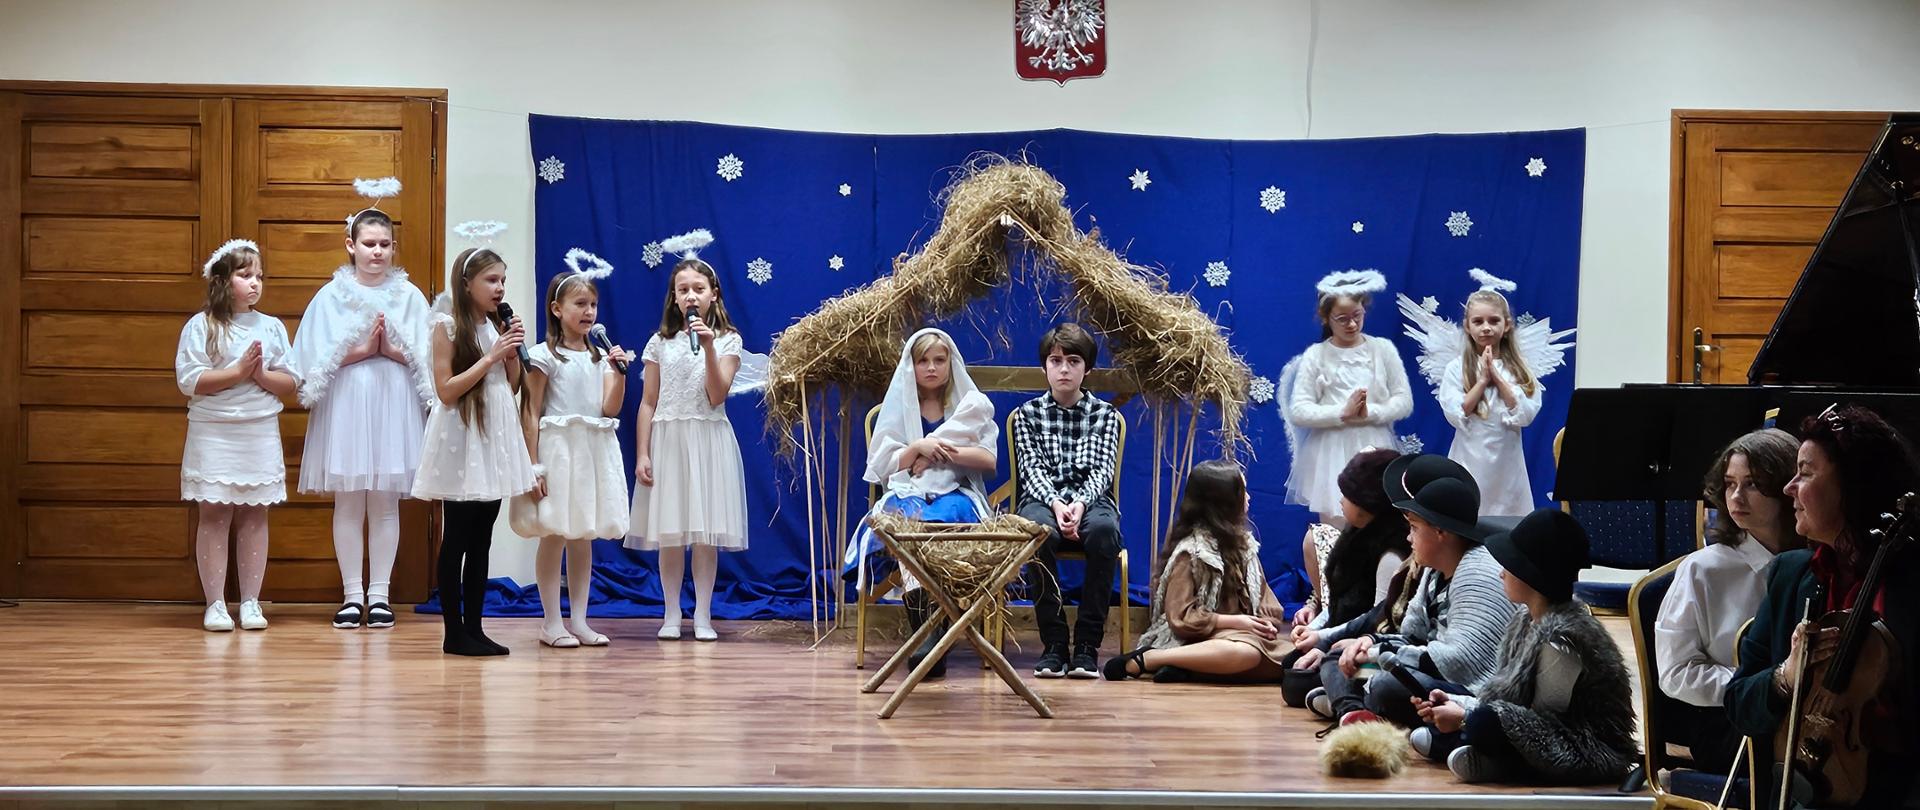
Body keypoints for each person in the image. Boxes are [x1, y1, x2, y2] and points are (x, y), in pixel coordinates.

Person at [1725, 404, 1920, 809]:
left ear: (1852, 483)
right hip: (1801, 788)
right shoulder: (1790, 575)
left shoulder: (1909, 583)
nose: (1788, 487)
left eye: (1806, 472)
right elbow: (1740, 705)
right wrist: (1785, 676)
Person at [289, 185, 435, 630]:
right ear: (350, 245)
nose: (377, 253)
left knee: (386, 503)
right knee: (349, 503)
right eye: (368, 244)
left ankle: (381, 595)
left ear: (394, 247)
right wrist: (355, 352)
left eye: (384, 245)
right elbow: (307, 360)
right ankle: (353, 594)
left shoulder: (409, 296)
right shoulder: (330, 296)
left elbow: (430, 356)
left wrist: (392, 351)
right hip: (348, 405)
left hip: (393, 405)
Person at [1408, 508, 1639, 785]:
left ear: (1533, 575)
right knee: (1469, 714)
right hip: (1537, 729)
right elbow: (1507, 699)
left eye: (1510, 565)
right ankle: (1493, 760)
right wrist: (1456, 702)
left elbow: (1545, 723)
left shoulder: (1564, 639)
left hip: (1580, 746)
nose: (1502, 575)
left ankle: (1504, 766)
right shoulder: (1525, 618)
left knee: (1484, 723)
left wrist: (1465, 719)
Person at [844, 327, 996, 677]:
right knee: (907, 530)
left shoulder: (967, 406)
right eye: (922, 361)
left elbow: (988, 460)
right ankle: (927, 634)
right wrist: (916, 449)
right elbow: (880, 465)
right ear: (910, 367)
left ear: (950, 364)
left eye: (939, 360)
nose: (931, 367)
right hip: (907, 494)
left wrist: (939, 451)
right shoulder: (896, 408)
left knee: (943, 519)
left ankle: (934, 637)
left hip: (954, 494)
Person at [1653, 428, 1803, 772]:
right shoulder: (1702, 570)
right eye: (1730, 483)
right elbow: (1676, 674)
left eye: (1751, 484)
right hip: (1728, 725)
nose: (1736, 497)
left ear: (1786, 487)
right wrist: (1760, 689)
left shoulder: (1815, 561)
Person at [626, 231, 751, 642]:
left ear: (713, 294)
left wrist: (711, 347)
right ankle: (670, 613)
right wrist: (642, 453)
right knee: (671, 533)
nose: (691, 295)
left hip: (707, 440)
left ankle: (702, 614)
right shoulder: (659, 343)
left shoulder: (729, 339)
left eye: (699, 288)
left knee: (704, 533)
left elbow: (717, 394)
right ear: (674, 298)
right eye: (683, 289)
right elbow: (648, 402)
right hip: (668, 441)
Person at [411, 245, 536, 656]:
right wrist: (490, 357)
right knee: (458, 538)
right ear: (466, 284)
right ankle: (453, 632)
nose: (499, 288)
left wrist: (511, 349)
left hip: (494, 436)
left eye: (502, 280)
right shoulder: (446, 326)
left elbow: (513, 385)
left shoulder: (496, 328)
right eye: (491, 280)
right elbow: (446, 392)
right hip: (462, 439)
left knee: (482, 537)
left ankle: (476, 629)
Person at [175, 239, 297, 632]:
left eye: (259, 276)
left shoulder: (271, 327)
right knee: (213, 513)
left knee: (255, 514)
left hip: (258, 430)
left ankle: (250, 602)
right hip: (214, 431)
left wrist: (260, 375)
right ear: (223, 281)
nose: (255, 283)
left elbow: (290, 381)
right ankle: (215, 603)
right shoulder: (201, 325)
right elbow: (190, 380)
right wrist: (237, 373)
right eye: (246, 276)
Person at [511, 263, 630, 648]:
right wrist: (533, 465)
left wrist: (621, 373)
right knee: (556, 533)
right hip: (559, 451)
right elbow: (530, 411)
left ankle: (579, 619)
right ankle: (551, 622)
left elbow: (609, 409)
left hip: (591, 451)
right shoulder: (545, 355)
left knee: (583, 535)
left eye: (593, 304)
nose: (589, 312)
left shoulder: (600, 357)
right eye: (580, 303)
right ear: (557, 308)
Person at [1102, 460, 1290, 683]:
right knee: (1247, 654)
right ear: (1225, 502)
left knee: (1295, 659)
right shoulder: (1192, 553)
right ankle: (1152, 658)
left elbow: (1266, 600)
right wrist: (1236, 622)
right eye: (1243, 491)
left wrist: (1264, 623)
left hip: (1241, 637)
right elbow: (1181, 618)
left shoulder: (1245, 549)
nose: (1249, 497)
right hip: (1196, 638)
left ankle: (1186, 667)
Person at [1011, 323, 1124, 679]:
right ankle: (1055, 643)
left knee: (1105, 531)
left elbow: (1102, 469)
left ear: (1086, 369)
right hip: (1043, 498)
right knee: (1038, 531)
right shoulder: (1026, 415)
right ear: (1044, 367)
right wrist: (1058, 505)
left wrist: (1080, 504)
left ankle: (1088, 644)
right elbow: (1031, 469)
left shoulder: (1105, 415)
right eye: (1055, 360)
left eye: (1073, 361)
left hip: (1092, 499)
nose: (1063, 369)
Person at [1282, 269, 1414, 527]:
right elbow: (1299, 409)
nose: (1352, 325)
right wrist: (1341, 414)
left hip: (1375, 447)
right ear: (1325, 318)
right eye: (1342, 319)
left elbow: (1403, 400)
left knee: (1378, 524)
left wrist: (1370, 413)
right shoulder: (1316, 355)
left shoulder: (1382, 349)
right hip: (1331, 452)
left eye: (1357, 316)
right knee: (1333, 528)